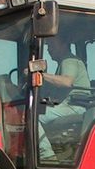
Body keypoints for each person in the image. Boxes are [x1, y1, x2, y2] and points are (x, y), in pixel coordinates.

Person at [38, 34, 90, 162]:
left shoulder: (69, 60)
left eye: (51, 45)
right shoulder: (63, 63)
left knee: (33, 117)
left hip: (75, 106)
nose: (49, 49)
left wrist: (41, 75)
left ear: (63, 45)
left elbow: (67, 82)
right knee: (38, 110)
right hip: (67, 105)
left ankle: (47, 157)